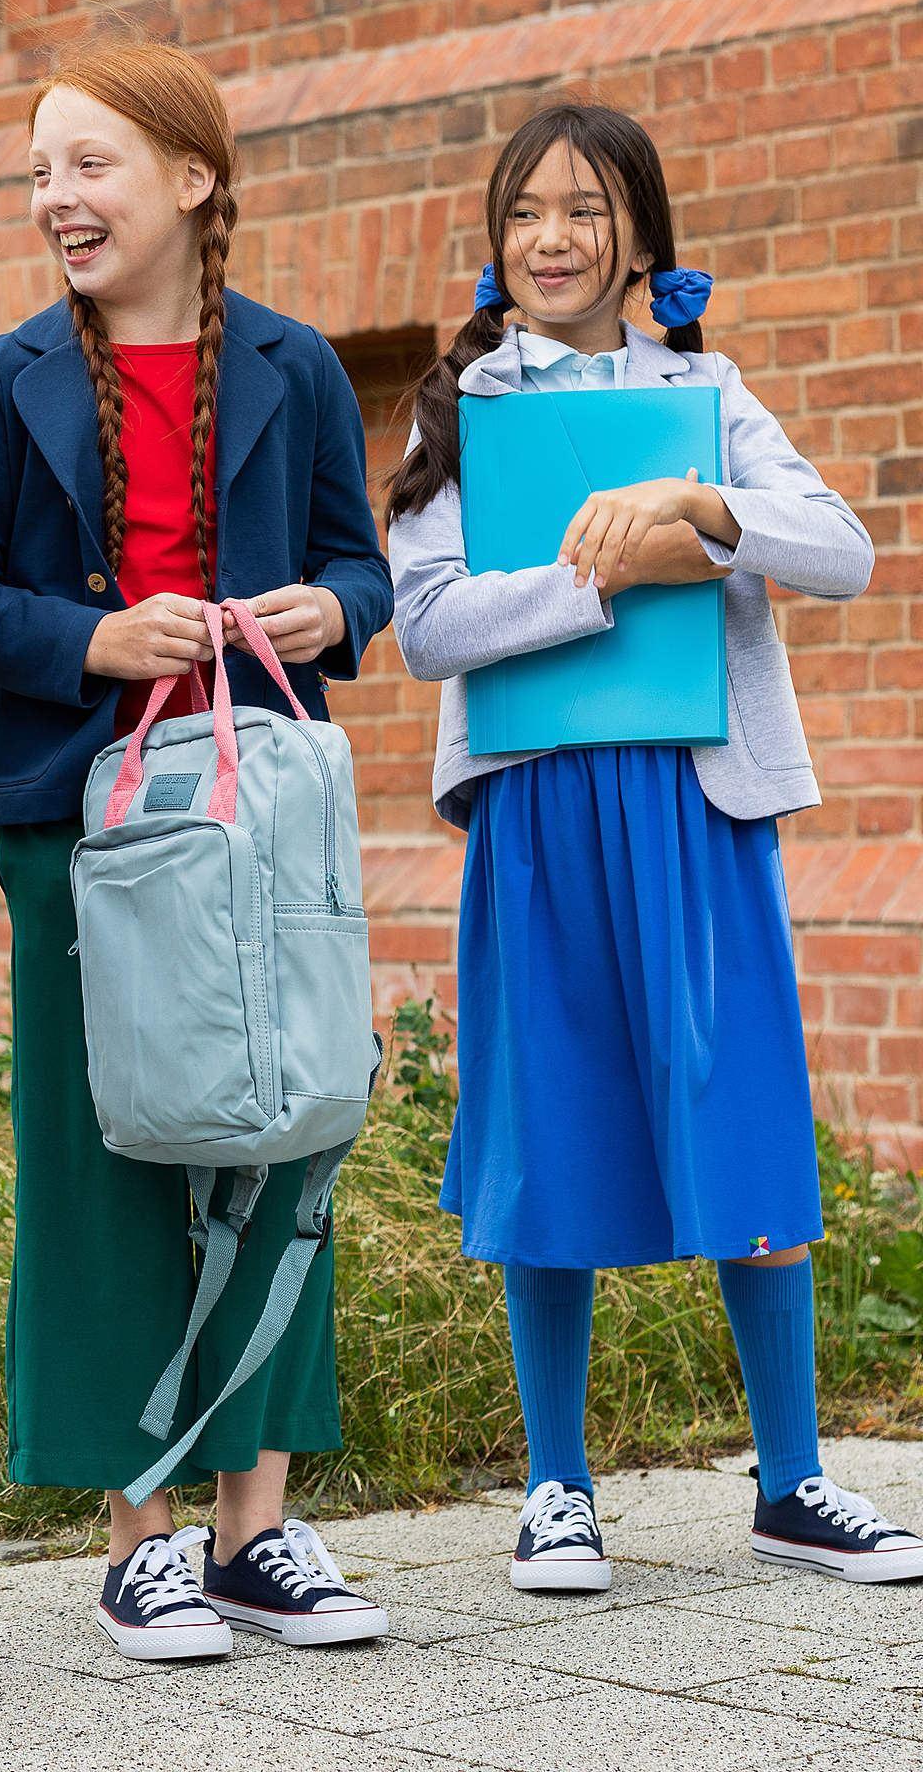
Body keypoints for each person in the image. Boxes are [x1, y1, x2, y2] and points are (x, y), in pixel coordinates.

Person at [386, 98, 923, 1591]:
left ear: (640, 238)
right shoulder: (462, 410)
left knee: (739, 1105)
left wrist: (694, 505)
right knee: (550, 1126)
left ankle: (796, 1481)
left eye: (586, 210)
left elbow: (842, 550)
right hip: (543, 806)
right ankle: (558, 1488)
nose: (552, 238)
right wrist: (604, 578)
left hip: (697, 801)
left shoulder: (710, 395)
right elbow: (429, 626)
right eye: (525, 213)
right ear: (497, 244)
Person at [0, 34, 395, 1659]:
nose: (59, 197)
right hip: (84, 820)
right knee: (113, 1157)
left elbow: (366, 563)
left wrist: (335, 604)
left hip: (268, 807)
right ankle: (139, 1532)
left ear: (193, 181)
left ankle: (257, 1527)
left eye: (91, 164)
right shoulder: (7, 379)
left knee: (285, 1134)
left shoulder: (300, 366)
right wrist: (90, 643)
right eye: (41, 171)